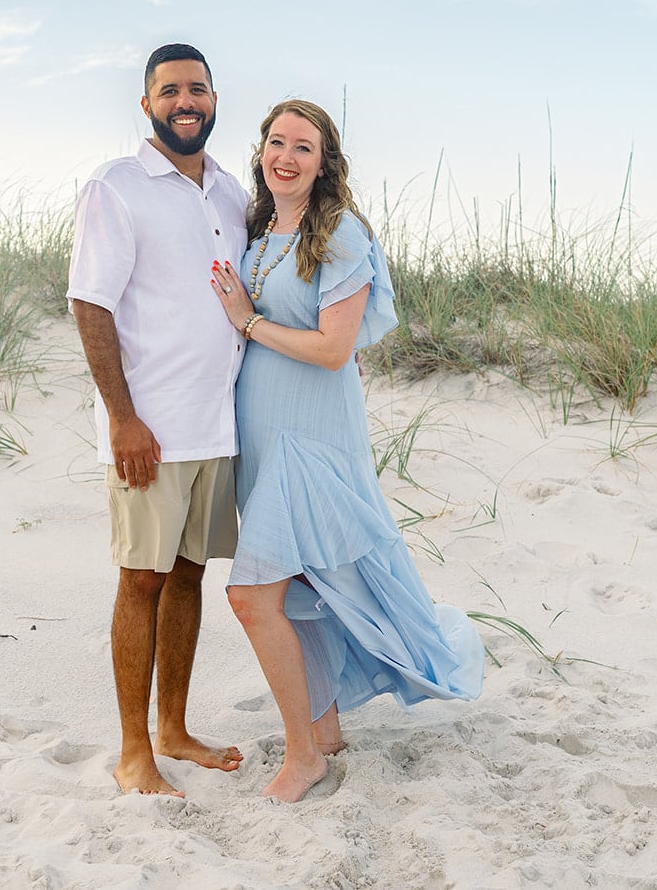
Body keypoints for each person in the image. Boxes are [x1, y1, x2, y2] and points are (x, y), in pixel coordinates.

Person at [208, 99, 484, 803]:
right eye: (277, 141)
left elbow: (334, 350)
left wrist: (247, 321)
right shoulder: (261, 227)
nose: (287, 157)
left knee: (250, 596)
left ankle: (304, 757)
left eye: (304, 146)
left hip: (312, 436)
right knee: (300, 589)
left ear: (325, 160)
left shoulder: (341, 235)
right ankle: (324, 729)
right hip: (264, 433)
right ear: (261, 150)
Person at [68, 43, 250, 797]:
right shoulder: (117, 186)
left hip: (218, 426)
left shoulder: (232, 191)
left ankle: (174, 726)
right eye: (170, 90)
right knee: (140, 578)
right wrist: (122, 417)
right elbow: (90, 301)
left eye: (198, 88)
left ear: (214, 99)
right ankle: (133, 750)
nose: (186, 100)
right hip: (153, 428)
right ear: (146, 105)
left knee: (187, 574)